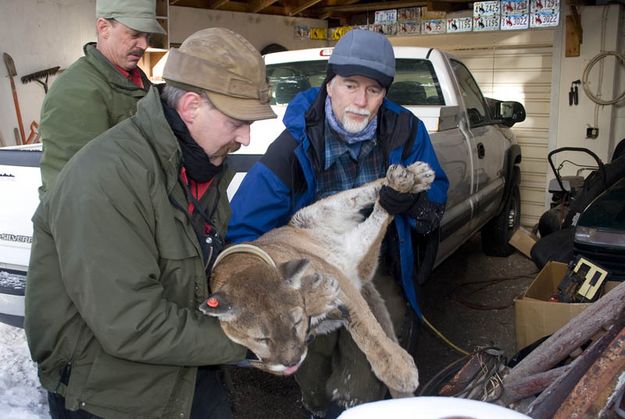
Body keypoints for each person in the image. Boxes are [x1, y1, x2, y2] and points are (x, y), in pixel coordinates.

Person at [25, 27, 276, 419]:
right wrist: (250, 340)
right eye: (238, 121)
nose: (245, 137)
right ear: (191, 106)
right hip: (109, 392)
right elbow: (131, 323)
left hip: (184, 366)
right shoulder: (107, 179)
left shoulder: (198, 164)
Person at [227, 29, 449, 418]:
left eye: (374, 90)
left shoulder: (405, 129)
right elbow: (244, 228)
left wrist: (411, 204)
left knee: (372, 356)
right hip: (307, 266)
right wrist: (271, 285)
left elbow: (437, 191)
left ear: (385, 93)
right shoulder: (294, 145)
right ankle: (315, 403)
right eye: (350, 85)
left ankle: (356, 405)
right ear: (330, 85)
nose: (361, 102)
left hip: (373, 259)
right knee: (310, 362)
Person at [38, 0, 166, 196]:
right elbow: (74, 190)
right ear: (104, 27)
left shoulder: (135, 78)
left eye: (147, 36)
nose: (144, 45)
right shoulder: (75, 90)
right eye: (135, 34)